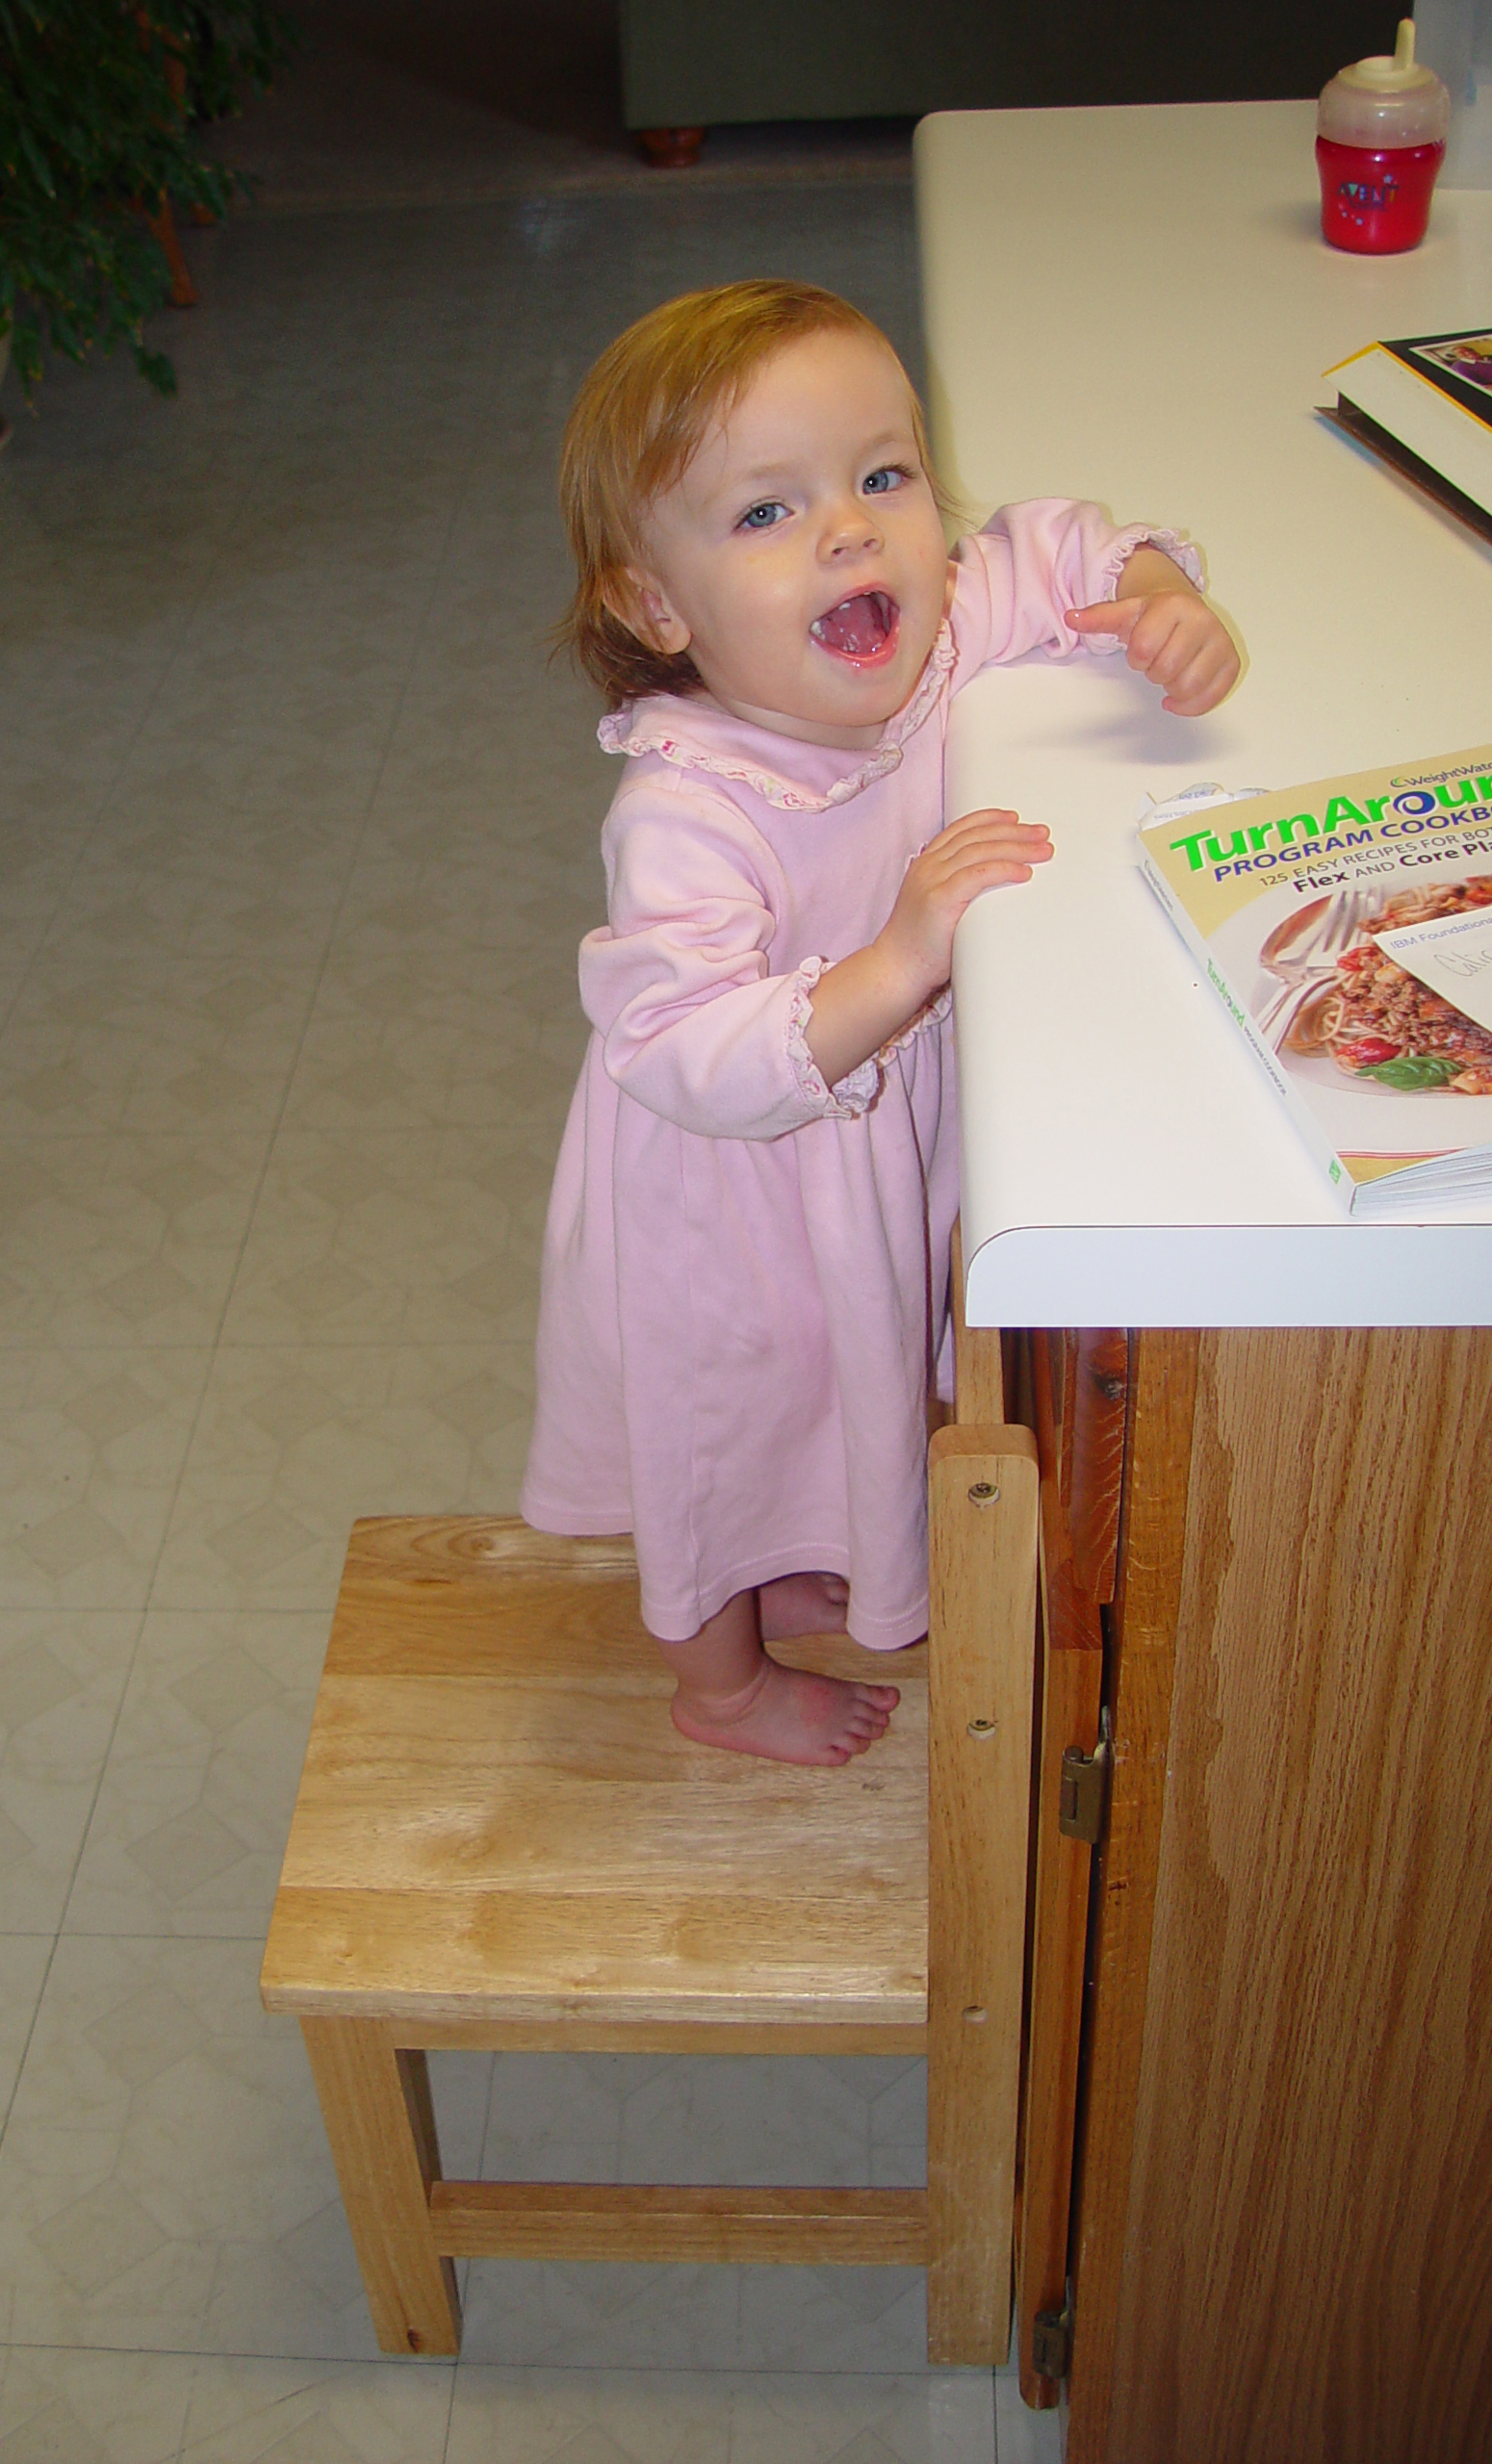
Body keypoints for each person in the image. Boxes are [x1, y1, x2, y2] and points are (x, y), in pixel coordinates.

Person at [519, 280, 1239, 1765]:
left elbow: (1055, 550)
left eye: (881, 477)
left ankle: (819, 1538)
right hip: (722, 1202)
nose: (850, 530)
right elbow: (679, 1047)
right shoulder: (688, 805)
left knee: (852, 1374)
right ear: (657, 607)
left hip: (855, 1160)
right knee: (720, 1439)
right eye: (766, 513)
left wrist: (1159, 598)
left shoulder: (933, 641)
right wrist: (904, 950)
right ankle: (717, 1685)